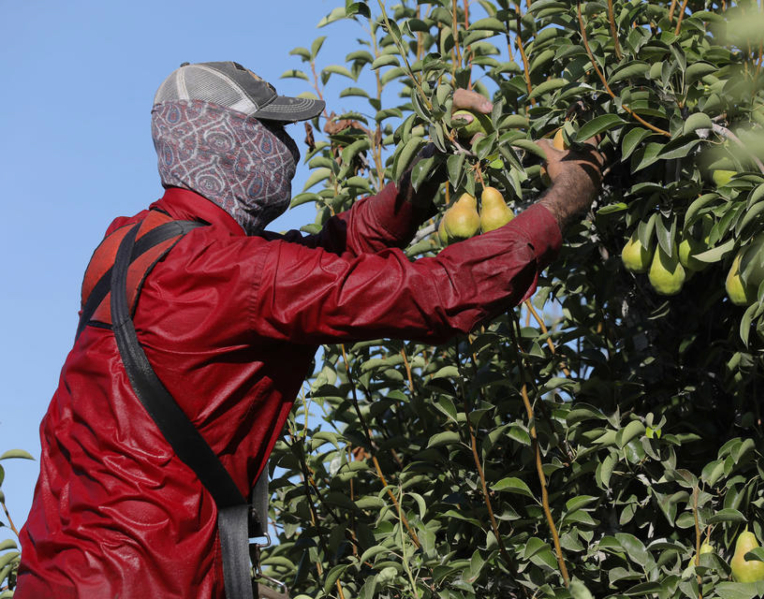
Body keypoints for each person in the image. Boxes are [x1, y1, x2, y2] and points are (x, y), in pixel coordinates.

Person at [15, 61, 605, 598]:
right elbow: (434, 295)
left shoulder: (128, 245)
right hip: (147, 579)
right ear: (230, 145)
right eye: (272, 131)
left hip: (60, 571)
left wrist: (430, 168)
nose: (288, 146)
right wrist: (560, 204)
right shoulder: (229, 272)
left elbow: (326, 260)